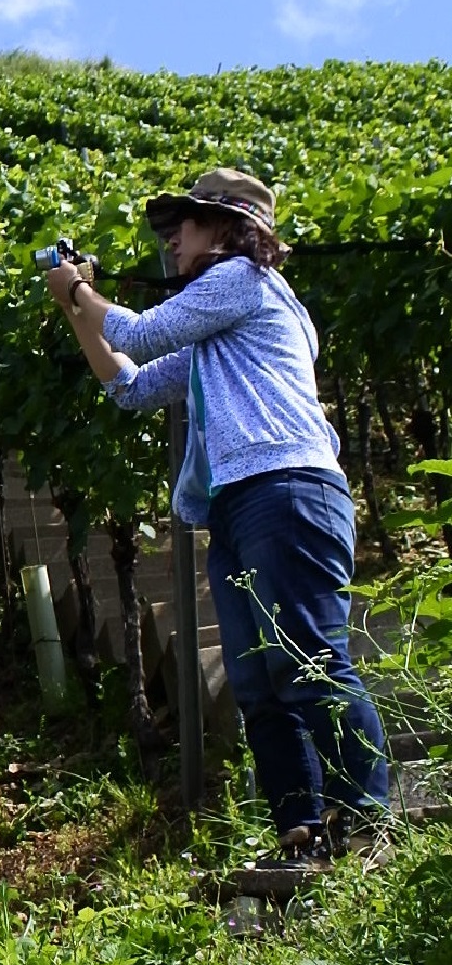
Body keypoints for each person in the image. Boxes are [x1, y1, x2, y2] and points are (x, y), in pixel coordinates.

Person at [45, 167, 389, 876]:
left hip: (287, 489)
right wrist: (76, 309)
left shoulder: (242, 283)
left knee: (309, 661)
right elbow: (129, 386)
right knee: (259, 680)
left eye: (188, 224)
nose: (173, 240)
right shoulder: (217, 335)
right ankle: (302, 833)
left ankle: (369, 820)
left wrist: (80, 289)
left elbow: (139, 333)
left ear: (233, 231)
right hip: (239, 503)